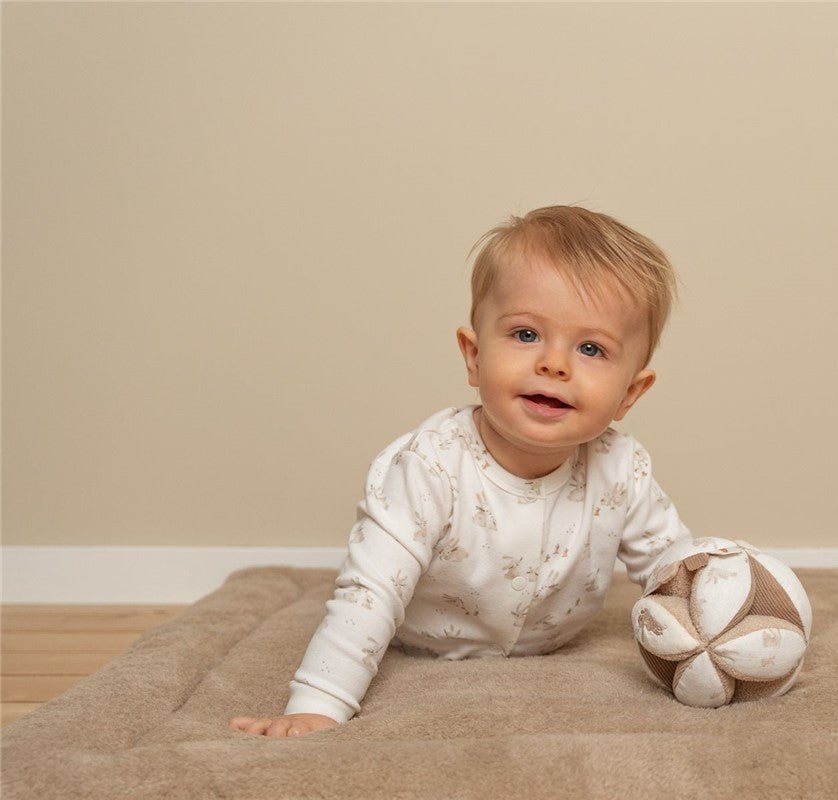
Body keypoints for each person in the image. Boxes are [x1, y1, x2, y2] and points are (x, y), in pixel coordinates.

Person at [229, 205, 694, 738]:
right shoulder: (428, 467)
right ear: (474, 357)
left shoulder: (622, 469)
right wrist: (317, 704)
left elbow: (673, 568)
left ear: (629, 393)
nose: (554, 363)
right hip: (427, 641)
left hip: (554, 641)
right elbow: (371, 590)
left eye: (591, 348)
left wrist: (728, 632)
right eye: (525, 335)